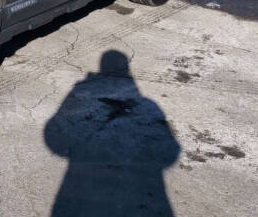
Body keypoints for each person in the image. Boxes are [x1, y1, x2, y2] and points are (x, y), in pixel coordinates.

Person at [44, 50, 180, 216]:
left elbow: (53, 137)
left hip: (82, 185)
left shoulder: (147, 104)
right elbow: (171, 152)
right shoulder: (149, 104)